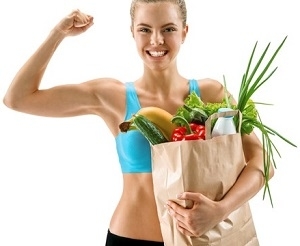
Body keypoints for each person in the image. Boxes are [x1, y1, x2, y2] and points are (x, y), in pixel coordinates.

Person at [3, 0, 273, 245]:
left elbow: (262, 161)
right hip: (130, 238)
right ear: (132, 32)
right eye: (145, 29)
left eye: (168, 29)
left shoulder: (212, 94)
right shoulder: (113, 96)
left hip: (203, 238)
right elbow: (17, 99)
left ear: (184, 32)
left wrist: (220, 210)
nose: (156, 40)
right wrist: (58, 34)